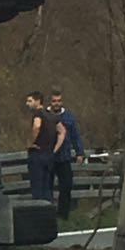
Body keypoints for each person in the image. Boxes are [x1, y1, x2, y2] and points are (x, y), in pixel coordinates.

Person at [50, 90, 86, 221]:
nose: (56, 104)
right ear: (50, 102)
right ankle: (48, 214)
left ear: (62, 102)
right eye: (54, 101)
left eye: (59, 101)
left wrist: (79, 152)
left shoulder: (68, 117)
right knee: (47, 186)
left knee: (66, 186)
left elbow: (76, 136)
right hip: (48, 157)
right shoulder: (45, 115)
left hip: (64, 157)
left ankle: (63, 214)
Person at [25, 91, 65, 201]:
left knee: (37, 186)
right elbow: (62, 131)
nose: (27, 104)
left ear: (38, 101)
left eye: (30, 101)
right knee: (47, 186)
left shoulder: (38, 114)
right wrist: (55, 148)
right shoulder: (51, 115)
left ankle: (38, 214)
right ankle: (49, 213)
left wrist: (30, 142)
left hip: (38, 154)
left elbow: (37, 126)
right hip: (49, 155)